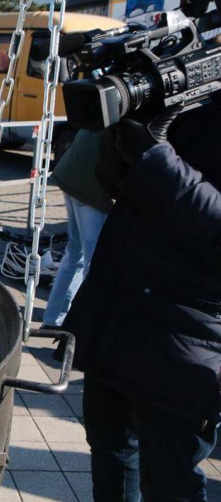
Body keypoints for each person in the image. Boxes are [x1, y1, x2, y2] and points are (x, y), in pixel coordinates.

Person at [61, 103, 221, 501]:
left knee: (170, 482)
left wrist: (155, 157)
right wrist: (120, 132)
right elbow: (117, 185)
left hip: (186, 338)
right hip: (118, 313)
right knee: (111, 454)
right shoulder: (200, 89)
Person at [41, 129, 112, 328]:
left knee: (74, 253)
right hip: (90, 189)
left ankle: (53, 319)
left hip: (72, 177)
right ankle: (85, 326)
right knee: (93, 261)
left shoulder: (107, 112)